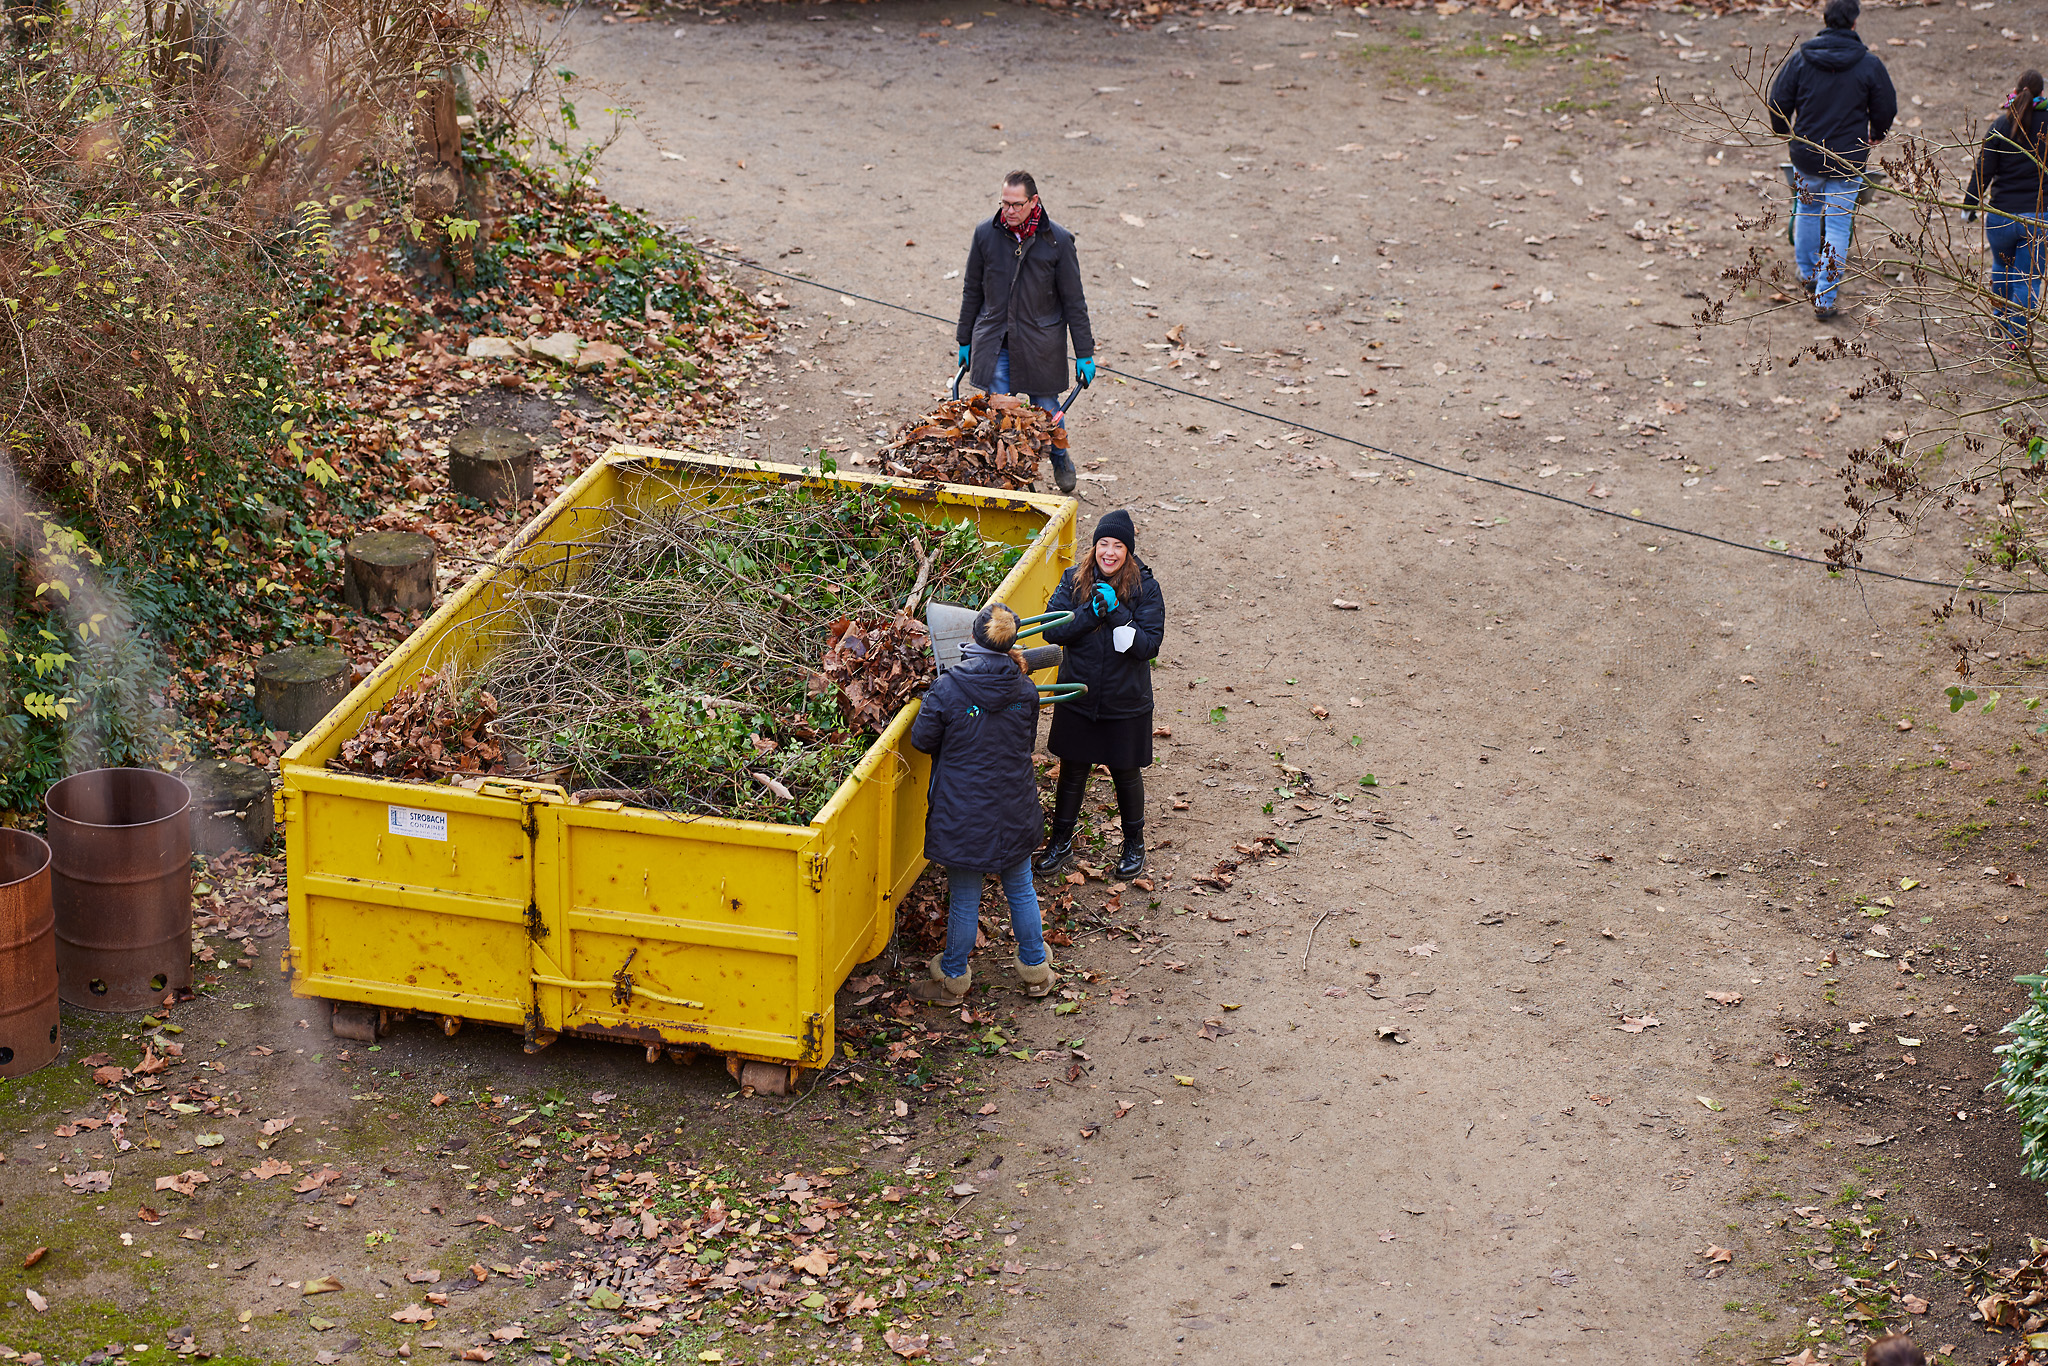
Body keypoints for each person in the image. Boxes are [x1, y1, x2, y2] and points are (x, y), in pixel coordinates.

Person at [907, 603, 1057, 1003]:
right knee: (1021, 888)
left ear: (973, 638)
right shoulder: (1025, 690)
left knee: (965, 897)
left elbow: (921, 741)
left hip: (964, 812)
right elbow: (1024, 743)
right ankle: (1036, 971)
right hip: (1014, 805)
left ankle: (953, 978)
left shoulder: (948, 688)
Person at [1034, 510, 1165, 880]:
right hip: (1078, 693)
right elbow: (1051, 630)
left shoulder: (1146, 588)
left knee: (1126, 772)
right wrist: (1091, 613)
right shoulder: (1073, 580)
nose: (1109, 552)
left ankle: (1133, 845)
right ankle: (1060, 841)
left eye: (1118, 546)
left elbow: (1147, 646)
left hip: (1125, 701)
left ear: (1128, 551)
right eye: (1103, 544)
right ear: (1094, 547)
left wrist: (1117, 612)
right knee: (1073, 770)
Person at [956, 170, 1096, 495]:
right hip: (995, 342)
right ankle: (1012, 479)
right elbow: (971, 290)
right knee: (1001, 416)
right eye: (1004, 203)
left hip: (1040, 344)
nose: (1009, 211)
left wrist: (1085, 353)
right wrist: (964, 338)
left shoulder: (1057, 242)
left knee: (1047, 410)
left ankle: (1060, 456)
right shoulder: (985, 235)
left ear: (1034, 202)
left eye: (1016, 204)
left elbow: (1075, 301)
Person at [1768, 0, 1896, 321]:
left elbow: (1777, 100)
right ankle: (1826, 296)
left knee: (1807, 210)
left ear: (1824, 20)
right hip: (1848, 159)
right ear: (1854, 23)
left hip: (1806, 155)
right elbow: (1886, 105)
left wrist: (1784, 131)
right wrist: (1876, 133)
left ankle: (1808, 274)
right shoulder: (1869, 64)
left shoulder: (1800, 59)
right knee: (1838, 223)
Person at [1964, 70, 2048, 346]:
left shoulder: (2001, 124)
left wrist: (1970, 204)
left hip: (2001, 216)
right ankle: (2017, 336)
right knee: (2027, 279)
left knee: (2001, 266)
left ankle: (2000, 320)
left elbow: (1983, 169)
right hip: (2038, 217)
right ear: (2041, 94)